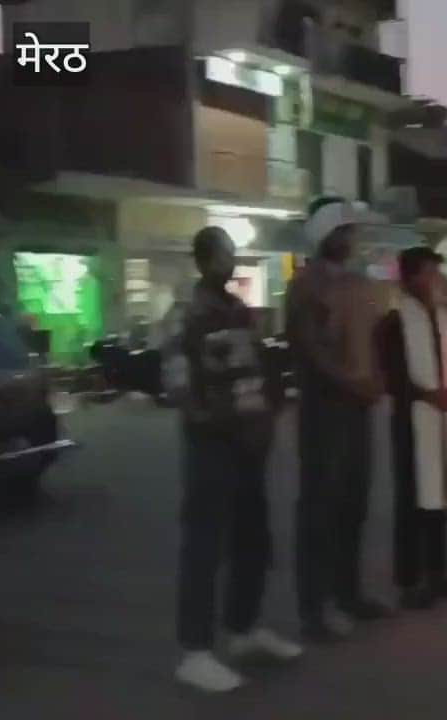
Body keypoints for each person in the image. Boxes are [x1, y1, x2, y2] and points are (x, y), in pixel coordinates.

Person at [170, 227, 300, 693]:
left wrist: (271, 405)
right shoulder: (189, 313)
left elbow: (260, 365)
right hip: (212, 442)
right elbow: (178, 379)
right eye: (223, 253)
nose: (231, 260)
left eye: (231, 252)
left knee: (251, 537)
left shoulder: (240, 311)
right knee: (204, 543)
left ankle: (243, 629)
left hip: (249, 441)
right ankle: (196, 651)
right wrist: (205, 418)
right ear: (204, 260)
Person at [285, 199, 388, 641]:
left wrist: (377, 379)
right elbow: (311, 351)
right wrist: (353, 383)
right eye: (345, 231)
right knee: (319, 509)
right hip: (325, 410)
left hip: (359, 408)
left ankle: (348, 594)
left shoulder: (359, 283)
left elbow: (376, 339)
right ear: (325, 233)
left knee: (353, 506)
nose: (353, 239)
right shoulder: (306, 286)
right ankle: (313, 609)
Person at [377, 247, 447, 610]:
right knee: (413, 499)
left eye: (435, 274)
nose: (433, 281)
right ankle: (410, 580)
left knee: (439, 498)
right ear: (409, 277)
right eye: (427, 274)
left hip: (444, 415)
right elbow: (393, 375)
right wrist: (429, 395)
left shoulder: (444, 315)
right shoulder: (395, 320)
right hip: (414, 418)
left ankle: (438, 572)